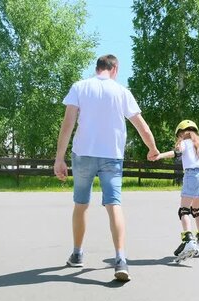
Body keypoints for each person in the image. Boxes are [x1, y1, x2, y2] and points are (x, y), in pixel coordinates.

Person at [53, 54, 159, 281]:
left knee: (81, 204)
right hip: (112, 156)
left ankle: (77, 253)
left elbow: (68, 124)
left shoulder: (80, 87)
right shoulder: (122, 92)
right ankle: (121, 259)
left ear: (97, 68)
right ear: (115, 69)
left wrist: (59, 158)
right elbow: (141, 125)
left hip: (83, 154)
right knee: (114, 205)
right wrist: (152, 148)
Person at [154, 119, 199, 262]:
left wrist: (159, 155)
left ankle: (189, 241)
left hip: (192, 176)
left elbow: (175, 153)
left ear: (182, 133)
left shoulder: (184, 143)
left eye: (179, 135)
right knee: (196, 210)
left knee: (184, 210)